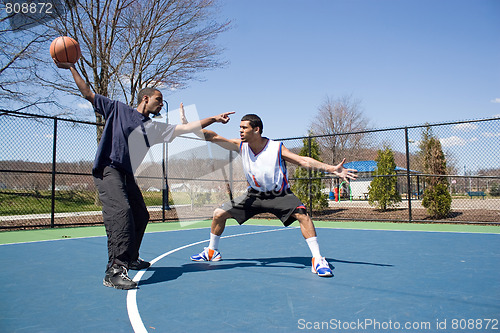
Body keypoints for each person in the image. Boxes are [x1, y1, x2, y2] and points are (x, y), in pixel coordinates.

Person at [58, 63, 233, 289]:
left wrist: (213, 118)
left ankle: (130, 257)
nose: (161, 103)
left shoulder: (153, 128)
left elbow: (186, 129)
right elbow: (88, 93)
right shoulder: (118, 109)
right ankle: (114, 270)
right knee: (122, 212)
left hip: (126, 174)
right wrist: (72, 66)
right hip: (108, 169)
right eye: (158, 99)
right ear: (145, 99)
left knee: (141, 214)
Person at [189, 114, 357, 277]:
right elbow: (211, 136)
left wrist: (331, 169)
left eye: (243, 128)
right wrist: (203, 122)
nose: (240, 131)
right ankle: (212, 252)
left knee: (303, 215)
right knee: (219, 214)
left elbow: (302, 161)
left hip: (280, 194)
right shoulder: (240, 145)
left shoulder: (276, 148)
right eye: (239, 127)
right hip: (254, 195)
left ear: (256, 129)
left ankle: (318, 259)